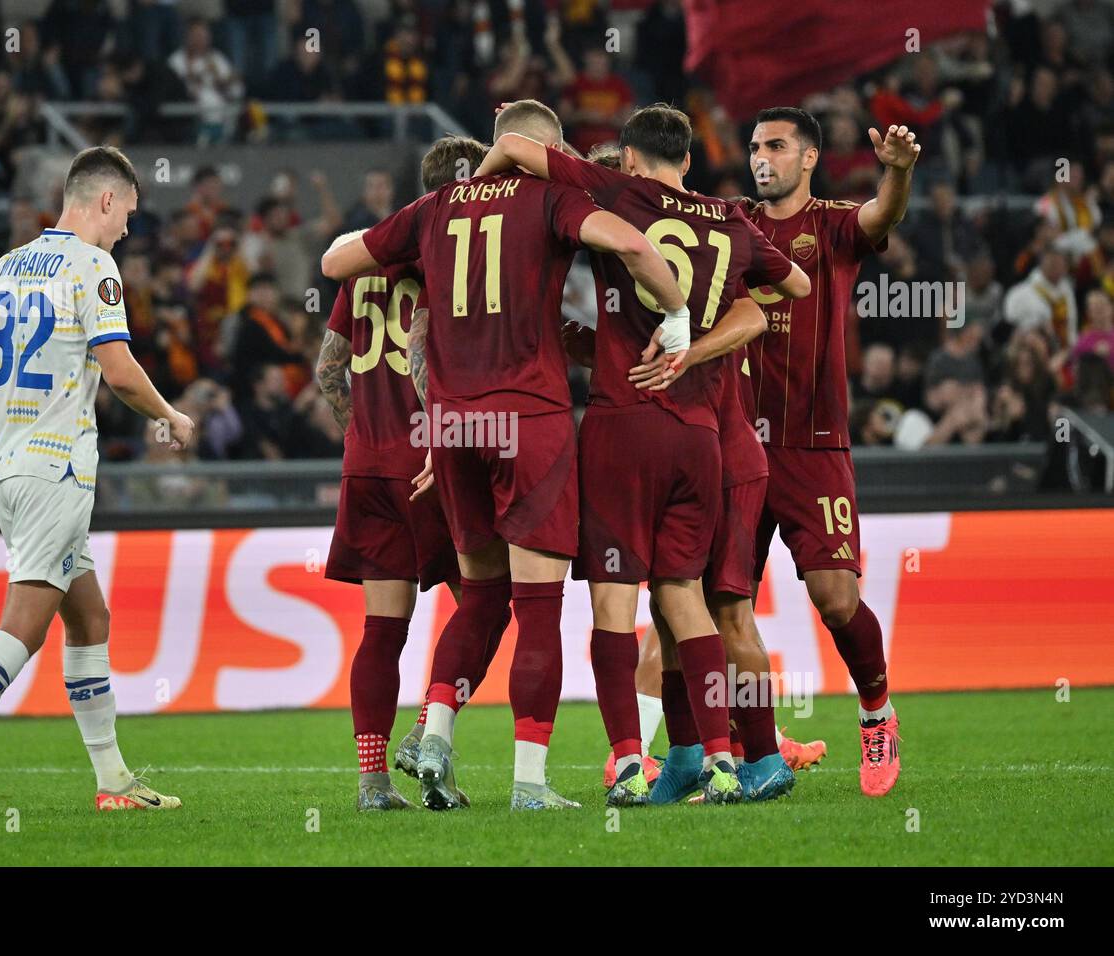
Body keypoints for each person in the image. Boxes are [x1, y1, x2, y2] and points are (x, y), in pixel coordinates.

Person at [322, 99, 689, 812]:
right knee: (538, 607)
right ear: (544, 150)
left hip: (454, 427)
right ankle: (527, 783)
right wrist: (674, 319)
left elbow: (338, 260)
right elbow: (637, 247)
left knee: (481, 596)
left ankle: (434, 732)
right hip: (529, 419)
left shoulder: (433, 208)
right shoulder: (553, 199)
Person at [477, 104, 810, 806]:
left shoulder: (616, 191)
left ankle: (630, 762)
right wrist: (699, 341)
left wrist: (468, 198)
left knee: (613, 600)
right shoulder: (728, 216)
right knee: (687, 600)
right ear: (687, 160)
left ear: (629, 158)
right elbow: (797, 287)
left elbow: (512, 144)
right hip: (700, 436)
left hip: (623, 419)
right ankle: (722, 761)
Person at [0, 146, 195, 815]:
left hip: (5, 465)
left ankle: (114, 780)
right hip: (56, 465)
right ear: (107, 201)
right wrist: (171, 415)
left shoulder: (5, 267)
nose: (126, 231)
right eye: (128, 216)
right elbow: (117, 371)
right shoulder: (94, 266)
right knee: (25, 625)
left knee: (90, 617)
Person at [315, 135, 510, 811]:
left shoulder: (364, 261)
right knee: (491, 602)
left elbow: (327, 370)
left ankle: (373, 783)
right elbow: (425, 347)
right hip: (429, 467)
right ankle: (430, 732)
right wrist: (430, 441)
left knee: (382, 630)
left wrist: (363, 434)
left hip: (366, 468)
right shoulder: (443, 252)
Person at [745, 107, 919, 796]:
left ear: (809, 158)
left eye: (778, 146)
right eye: (756, 146)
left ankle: (877, 715)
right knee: (717, 602)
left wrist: (898, 174)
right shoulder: (732, 222)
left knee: (835, 595)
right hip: (734, 447)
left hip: (813, 445)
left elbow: (884, 216)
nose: (763, 157)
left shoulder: (832, 224)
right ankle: (756, 745)